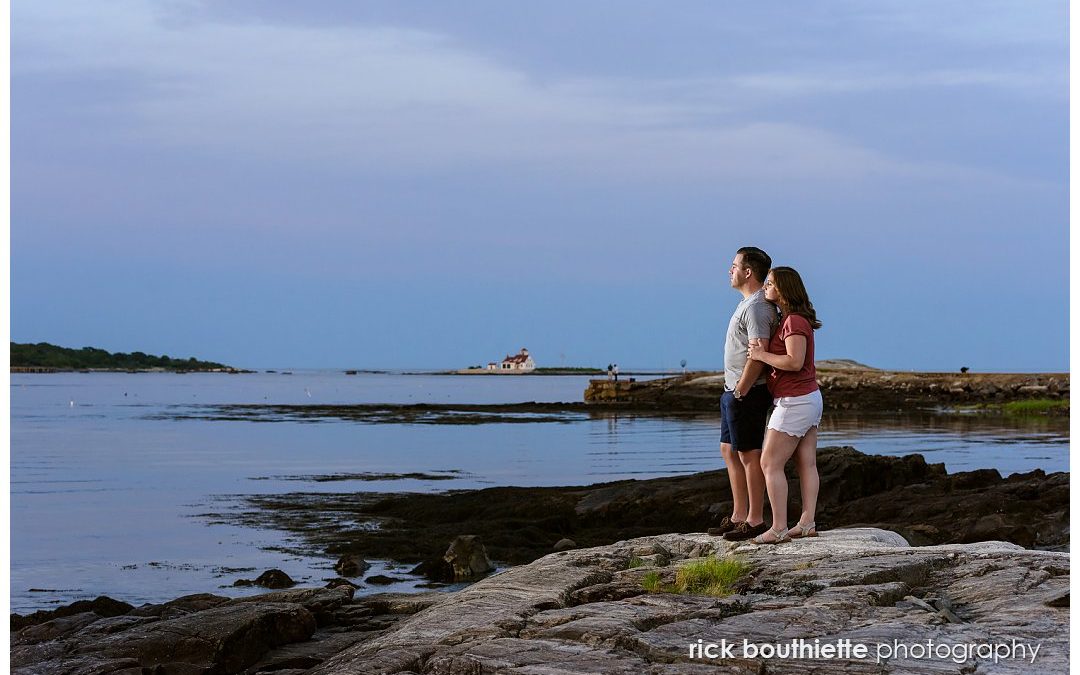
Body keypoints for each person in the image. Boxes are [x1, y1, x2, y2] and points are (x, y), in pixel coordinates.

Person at [745, 266, 823, 544]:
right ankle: (806, 522)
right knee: (806, 462)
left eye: (770, 283)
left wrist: (761, 354)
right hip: (806, 398)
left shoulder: (793, 322)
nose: (765, 287)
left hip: (795, 401)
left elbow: (794, 361)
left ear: (784, 289)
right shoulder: (794, 320)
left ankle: (778, 527)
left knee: (769, 463)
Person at [708, 246, 778, 542]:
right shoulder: (747, 303)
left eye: (734, 265)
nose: (730, 270)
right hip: (733, 391)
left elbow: (758, 353)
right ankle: (738, 515)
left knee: (750, 455)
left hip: (746, 392)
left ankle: (755, 519)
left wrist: (741, 390)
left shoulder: (757, 307)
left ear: (748, 272)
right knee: (729, 450)